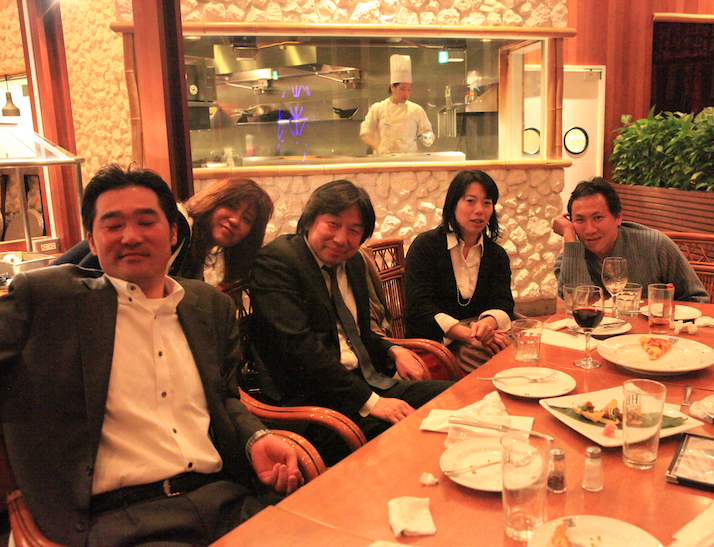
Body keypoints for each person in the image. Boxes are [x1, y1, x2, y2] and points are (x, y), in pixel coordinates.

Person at [0, 164, 302, 547]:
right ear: (91, 241)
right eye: (113, 225)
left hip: (224, 499)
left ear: (173, 232)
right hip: (122, 519)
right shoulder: (49, 299)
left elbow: (225, 397)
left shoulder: (209, 306)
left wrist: (255, 438)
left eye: (146, 222)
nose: (131, 236)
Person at [249, 180, 452, 465]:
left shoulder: (353, 263)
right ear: (310, 221)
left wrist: (393, 350)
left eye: (354, 230)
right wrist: (372, 402)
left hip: (365, 384)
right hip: (315, 404)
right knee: (410, 435)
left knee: (452, 398)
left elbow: (357, 334)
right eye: (333, 224)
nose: (341, 239)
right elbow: (300, 349)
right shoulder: (278, 261)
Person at [51, 177, 273, 287]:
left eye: (247, 219)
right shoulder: (178, 223)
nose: (234, 220)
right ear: (214, 201)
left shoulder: (192, 244)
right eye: (231, 206)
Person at [405, 170, 515, 373]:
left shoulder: (496, 255)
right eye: (470, 201)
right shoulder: (425, 246)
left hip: (479, 342)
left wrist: (487, 325)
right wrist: (468, 335)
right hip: (433, 345)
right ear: (453, 204)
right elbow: (418, 307)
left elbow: (503, 302)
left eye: (487, 202)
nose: (479, 210)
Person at [553, 177, 709, 302]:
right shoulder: (570, 259)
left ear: (618, 217)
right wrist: (569, 236)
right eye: (580, 220)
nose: (590, 230)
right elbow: (578, 303)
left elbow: (697, 298)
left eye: (598, 217)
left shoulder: (656, 245)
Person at [359, 54, 435, 155]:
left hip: (409, 160)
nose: (406, 93)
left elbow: (427, 132)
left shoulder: (416, 110)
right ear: (392, 87)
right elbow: (365, 134)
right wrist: (378, 148)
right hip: (384, 160)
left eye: (409, 89)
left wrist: (427, 137)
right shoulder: (377, 108)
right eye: (402, 89)